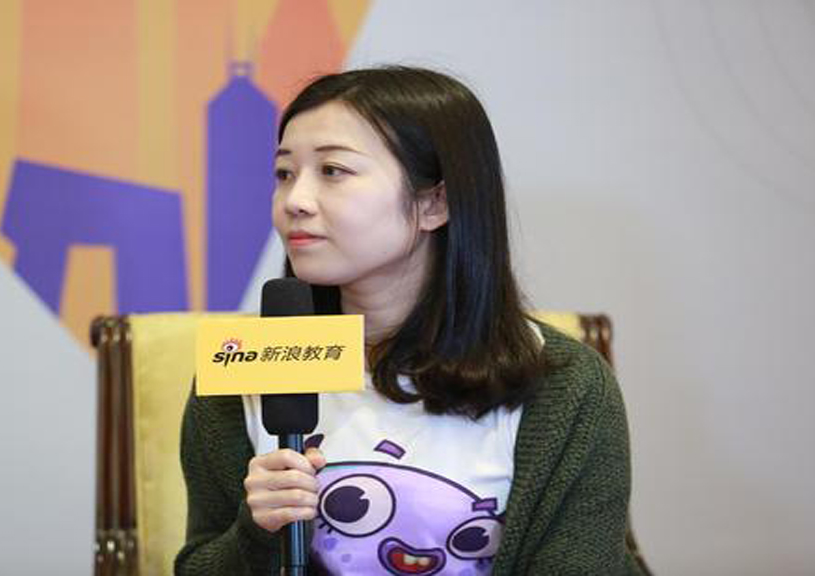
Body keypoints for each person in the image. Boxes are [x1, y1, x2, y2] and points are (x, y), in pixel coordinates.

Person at [176, 66, 642, 575]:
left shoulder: (565, 386)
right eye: (284, 174)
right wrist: (256, 534)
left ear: (434, 202)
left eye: (333, 170)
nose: (295, 201)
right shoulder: (247, 369)